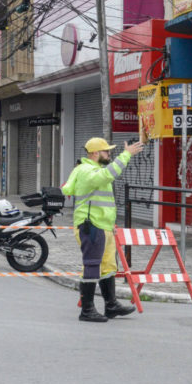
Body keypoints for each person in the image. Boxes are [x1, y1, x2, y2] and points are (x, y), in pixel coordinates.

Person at [61, 137, 144, 322]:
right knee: (92, 265)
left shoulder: (89, 169)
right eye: (107, 152)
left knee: (108, 266)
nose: (109, 154)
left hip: (103, 225)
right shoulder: (87, 170)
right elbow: (107, 175)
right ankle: (87, 310)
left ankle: (111, 305)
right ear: (96, 153)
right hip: (91, 225)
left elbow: (72, 188)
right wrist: (126, 155)